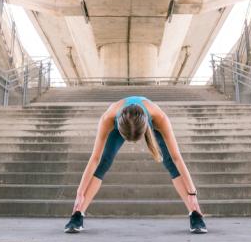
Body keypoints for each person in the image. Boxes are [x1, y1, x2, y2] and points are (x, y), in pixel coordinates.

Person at [64, 95, 207, 234]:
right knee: (103, 162)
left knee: (170, 162)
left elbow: (177, 158)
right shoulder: (108, 118)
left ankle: (195, 213)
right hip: (122, 122)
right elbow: (95, 158)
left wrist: (192, 192)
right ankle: (77, 214)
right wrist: (80, 193)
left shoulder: (159, 117)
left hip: (149, 123)